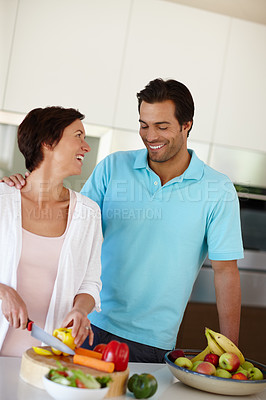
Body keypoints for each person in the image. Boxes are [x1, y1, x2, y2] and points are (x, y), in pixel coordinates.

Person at [1, 79, 243, 363]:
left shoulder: (217, 189)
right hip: (84, 325)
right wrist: (19, 189)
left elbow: (226, 272)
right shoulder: (113, 167)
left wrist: (231, 351)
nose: (151, 135)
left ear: (186, 125)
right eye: (144, 125)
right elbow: (71, 231)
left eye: (162, 126)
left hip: (151, 340)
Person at [0, 107, 102, 357]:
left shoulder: (88, 213)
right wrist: (3, 291)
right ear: (48, 142)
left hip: (49, 356)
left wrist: (80, 310)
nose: (85, 147)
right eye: (77, 136)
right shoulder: (3, 200)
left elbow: (91, 282)